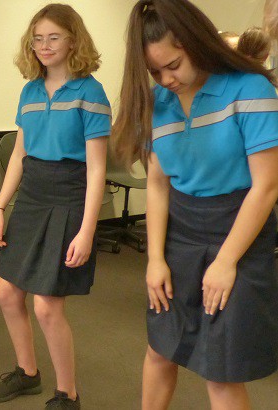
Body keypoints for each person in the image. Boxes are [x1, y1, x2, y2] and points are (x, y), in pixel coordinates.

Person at [112, 1, 278, 409]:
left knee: (219, 372)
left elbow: (267, 186)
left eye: (174, 65)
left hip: (239, 230)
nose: (166, 79)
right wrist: (154, 259)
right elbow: (156, 183)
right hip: (181, 234)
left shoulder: (249, 88)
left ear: (196, 44)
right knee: (160, 349)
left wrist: (226, 262)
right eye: (155, 72)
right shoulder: (157, 101)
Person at [0, 4, 109, 409]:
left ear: (73, 39)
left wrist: (88, 229)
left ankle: (67, 395)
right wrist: (0, 207)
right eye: (38, 38)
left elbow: (96, 170)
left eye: (53, 37)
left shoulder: (90, 91)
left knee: (47, 305)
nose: (44, 46)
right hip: (33, 196)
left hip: (69, 196)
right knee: (6, 293)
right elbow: (20, 153)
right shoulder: (30, 90)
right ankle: (28, 374)